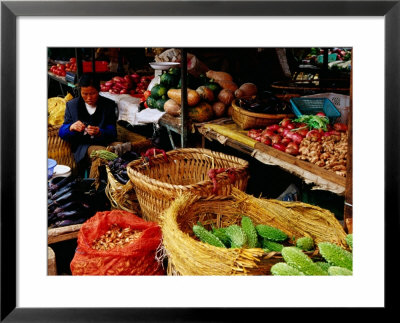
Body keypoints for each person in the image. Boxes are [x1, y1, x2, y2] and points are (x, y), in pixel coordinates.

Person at [59, 73, 119, 175]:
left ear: (98, 90)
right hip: (83, 148)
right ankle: (93, 188)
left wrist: (100, 132)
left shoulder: (108, 105)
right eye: (84, 94)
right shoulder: (72, 105)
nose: (88, 98)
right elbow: (61, 132)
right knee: (102, 153)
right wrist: (71, 128)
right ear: (80, 91)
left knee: (121, 148)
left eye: (92, 93)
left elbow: (113, 132)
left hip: (105, 142)